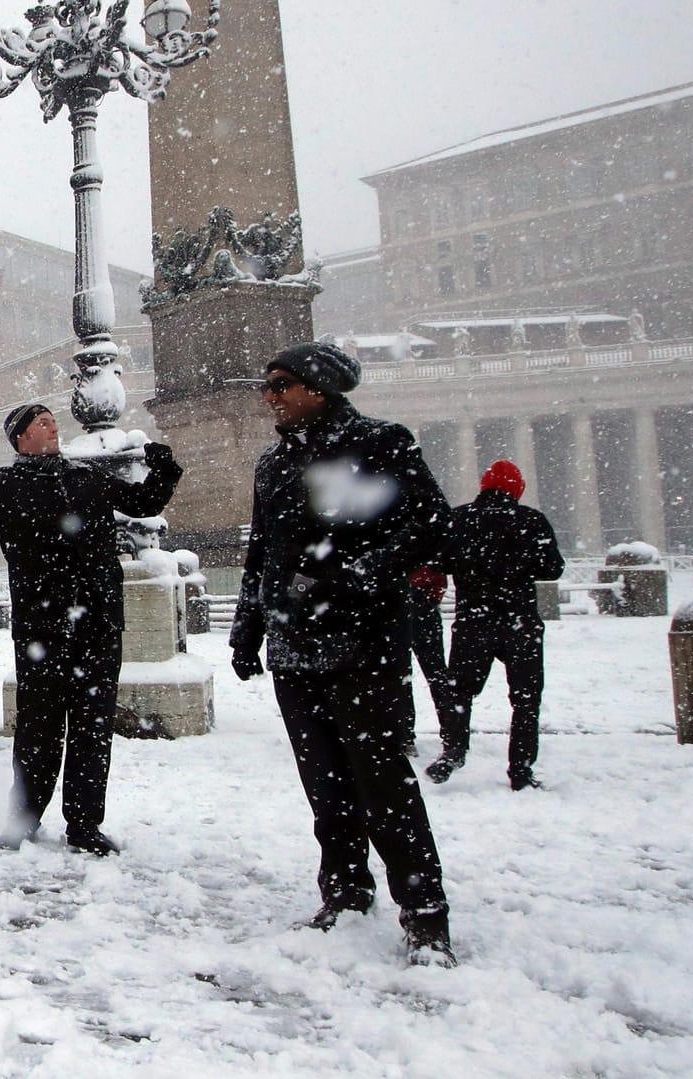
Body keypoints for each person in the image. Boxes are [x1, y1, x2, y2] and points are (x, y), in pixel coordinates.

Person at [227, 341, 455, 967]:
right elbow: (262, 552)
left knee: (382, 778)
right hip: (294, 646)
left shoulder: (381, 442)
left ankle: (425, 913)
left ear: (320, 389)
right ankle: (346, 891)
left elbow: (432, 523)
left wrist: (358, 574)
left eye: (280, 385)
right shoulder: (273, 465)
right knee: (324, 781)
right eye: (267, 385)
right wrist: (249, 626)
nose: (269, 396)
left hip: (363, 640)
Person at [0, 404, 181, 855]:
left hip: (97, 622)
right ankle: (23, 819)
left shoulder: (86, 478)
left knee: (92, 728)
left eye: (54, 422)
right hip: (41, 626)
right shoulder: (6, 486)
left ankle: (84, 824)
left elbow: (144, 503)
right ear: (20, 438)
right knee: (38, 727)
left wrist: (163, 466)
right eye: (42, 423)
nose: (53, 428)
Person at [428, 460, 565, 791]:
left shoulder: (459, 519)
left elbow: (437, 560)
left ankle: (454, 749)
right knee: (526, 699)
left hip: (474, 620)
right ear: (516, 489)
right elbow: (553, 568)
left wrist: (471, 564)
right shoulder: (531, 521)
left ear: (485, 486)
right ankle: (520, 769)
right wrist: (517, 564)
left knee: (460, 691)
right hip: (520, 621)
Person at [404, 566, 452, 755]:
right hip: (419, 602)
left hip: (409, 601)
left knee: (404, 677)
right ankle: (452, 733)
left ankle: (406, 735)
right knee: (436, 674)